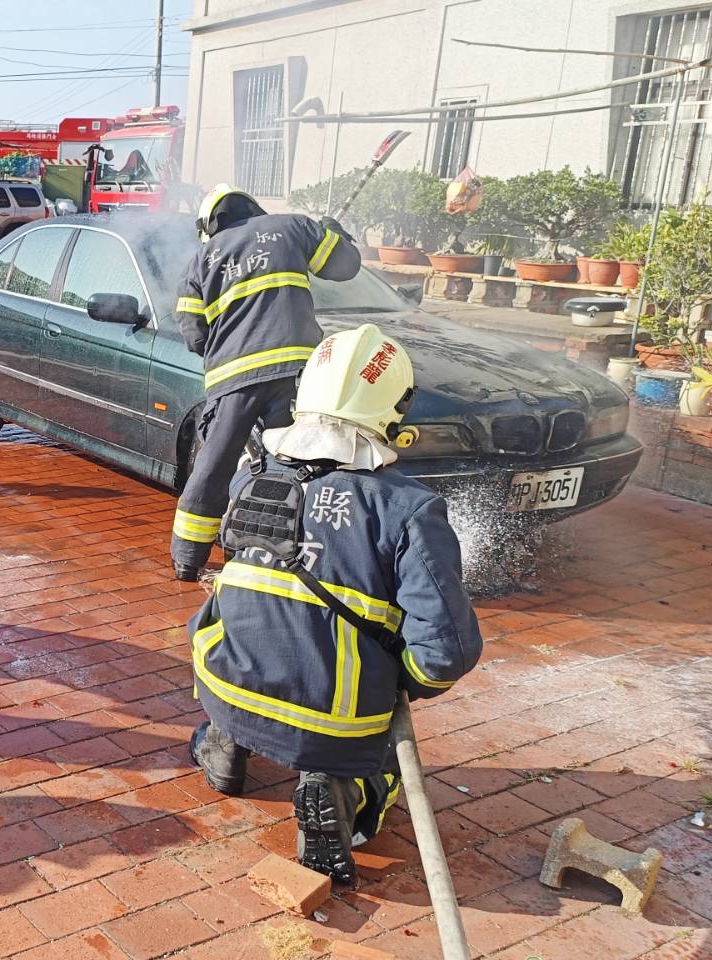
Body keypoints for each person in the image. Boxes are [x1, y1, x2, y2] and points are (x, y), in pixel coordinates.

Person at [186, 323, 482, 885]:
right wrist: (403, 678)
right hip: (333, 720)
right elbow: (445, 651)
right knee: (380, 762)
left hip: (224, 682)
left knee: (236, 611)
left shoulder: (252, 477)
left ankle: (225, 742)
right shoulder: (409, 509)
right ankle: (346, 788)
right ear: (396, 414)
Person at [169, 184, 361, 581]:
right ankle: (295, 555)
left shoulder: (200, 260)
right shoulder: (293, 228)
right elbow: (345, 267)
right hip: (299, 376)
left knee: (213, 466)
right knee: (298, 463)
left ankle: (188, 560)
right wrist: (333, 234)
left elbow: (194, 335)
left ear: (209, 224)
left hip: (233, 381)